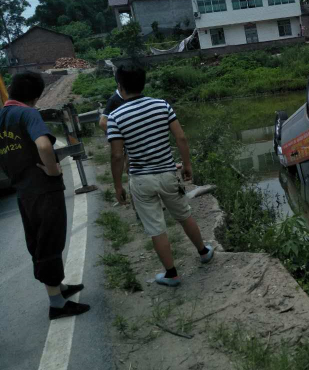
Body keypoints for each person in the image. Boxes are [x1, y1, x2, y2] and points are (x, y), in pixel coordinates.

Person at [107, 65, 214, 286]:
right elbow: (181, 138)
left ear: (120, 87)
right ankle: (203, 252)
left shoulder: (115, 116)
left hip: (141, 180)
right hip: (167, 173)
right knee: (184, 214)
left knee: (156, 228)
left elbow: (117, 155)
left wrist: (118, 185)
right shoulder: (161, 105)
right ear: (143, 83)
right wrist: (187, 165)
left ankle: (172, 274)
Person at [0, 72, 90, 319]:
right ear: (36, 95)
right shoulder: (27, 113)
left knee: (39, 240)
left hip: (23, 191)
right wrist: (52, 170)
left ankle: (59, 289)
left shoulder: (2, 116)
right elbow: (43, 145)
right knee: (50, 241)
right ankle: (57, 305)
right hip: (43, 188)